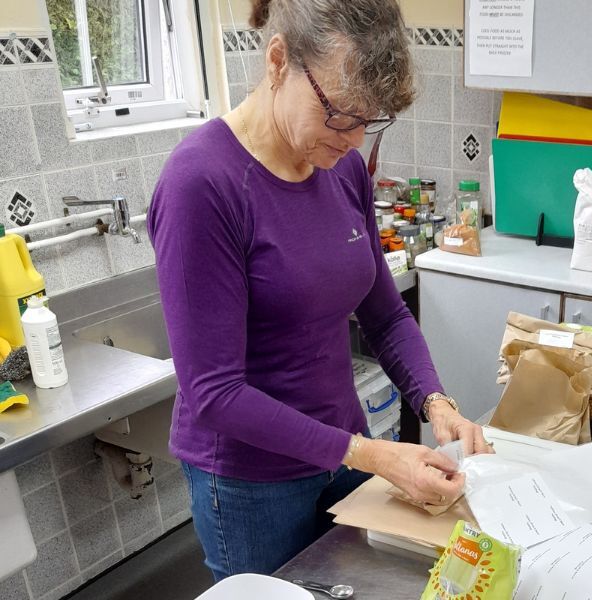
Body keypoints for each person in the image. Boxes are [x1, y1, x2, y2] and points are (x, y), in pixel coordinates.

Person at [146, 0, 491, 581]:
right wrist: (371, 454)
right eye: (339, 114)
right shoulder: (202, 184)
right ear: (279, 61)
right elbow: (213, 392)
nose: (354, 139)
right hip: (249, 483)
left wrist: (436, 402)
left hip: (342, 453)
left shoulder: (340, 168)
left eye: (369, 120)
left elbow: (385, 315)